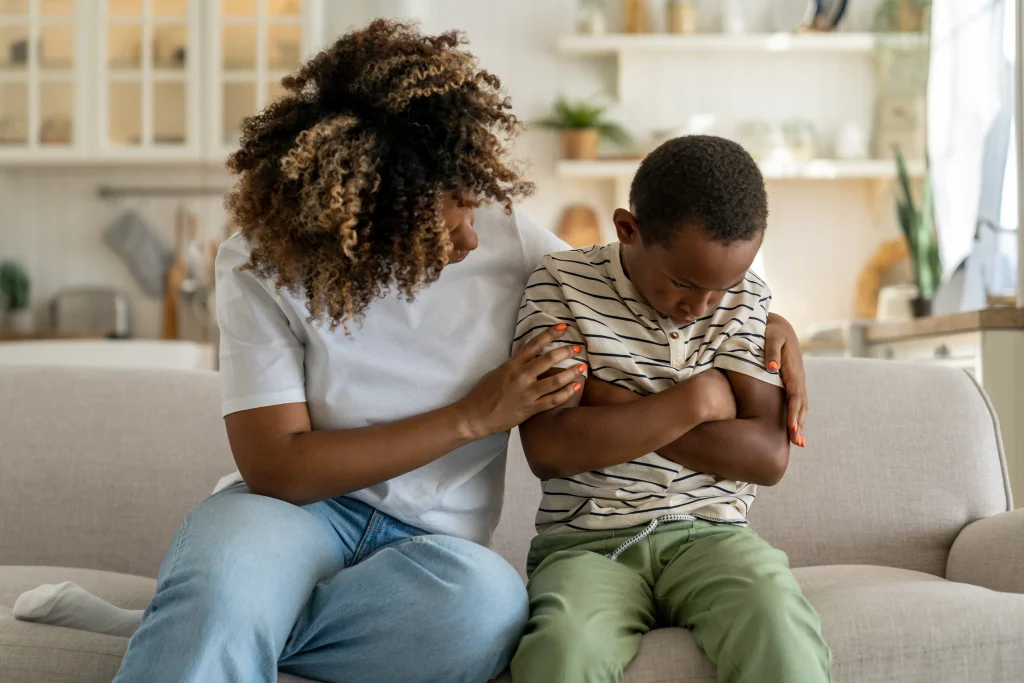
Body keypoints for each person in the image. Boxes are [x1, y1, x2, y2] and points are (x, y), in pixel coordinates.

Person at [11, 23, 808, 683]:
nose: (475, 230)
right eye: (450, 213)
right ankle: (214, 619)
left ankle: (197, 630)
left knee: (487, 612)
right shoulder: (264, 262)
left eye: (475, 200)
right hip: (292, 514)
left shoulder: (510, 243)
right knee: (227, 581)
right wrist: (472, 415)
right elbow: (277, 467)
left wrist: (770, 325)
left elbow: (632, 296)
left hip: (433, 549)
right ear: (370, 213)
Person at [509, 135, 828, 683]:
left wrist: (612, 402)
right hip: (586, 544)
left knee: (778, 625)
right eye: (683, 283)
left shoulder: (747, 297)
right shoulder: (562, 284)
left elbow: (765, 459)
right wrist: (698, 400)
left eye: (721, 288)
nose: (701, 307)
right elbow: (551, 448)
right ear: (628, 230)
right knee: (564, 651)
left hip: (714, 535)